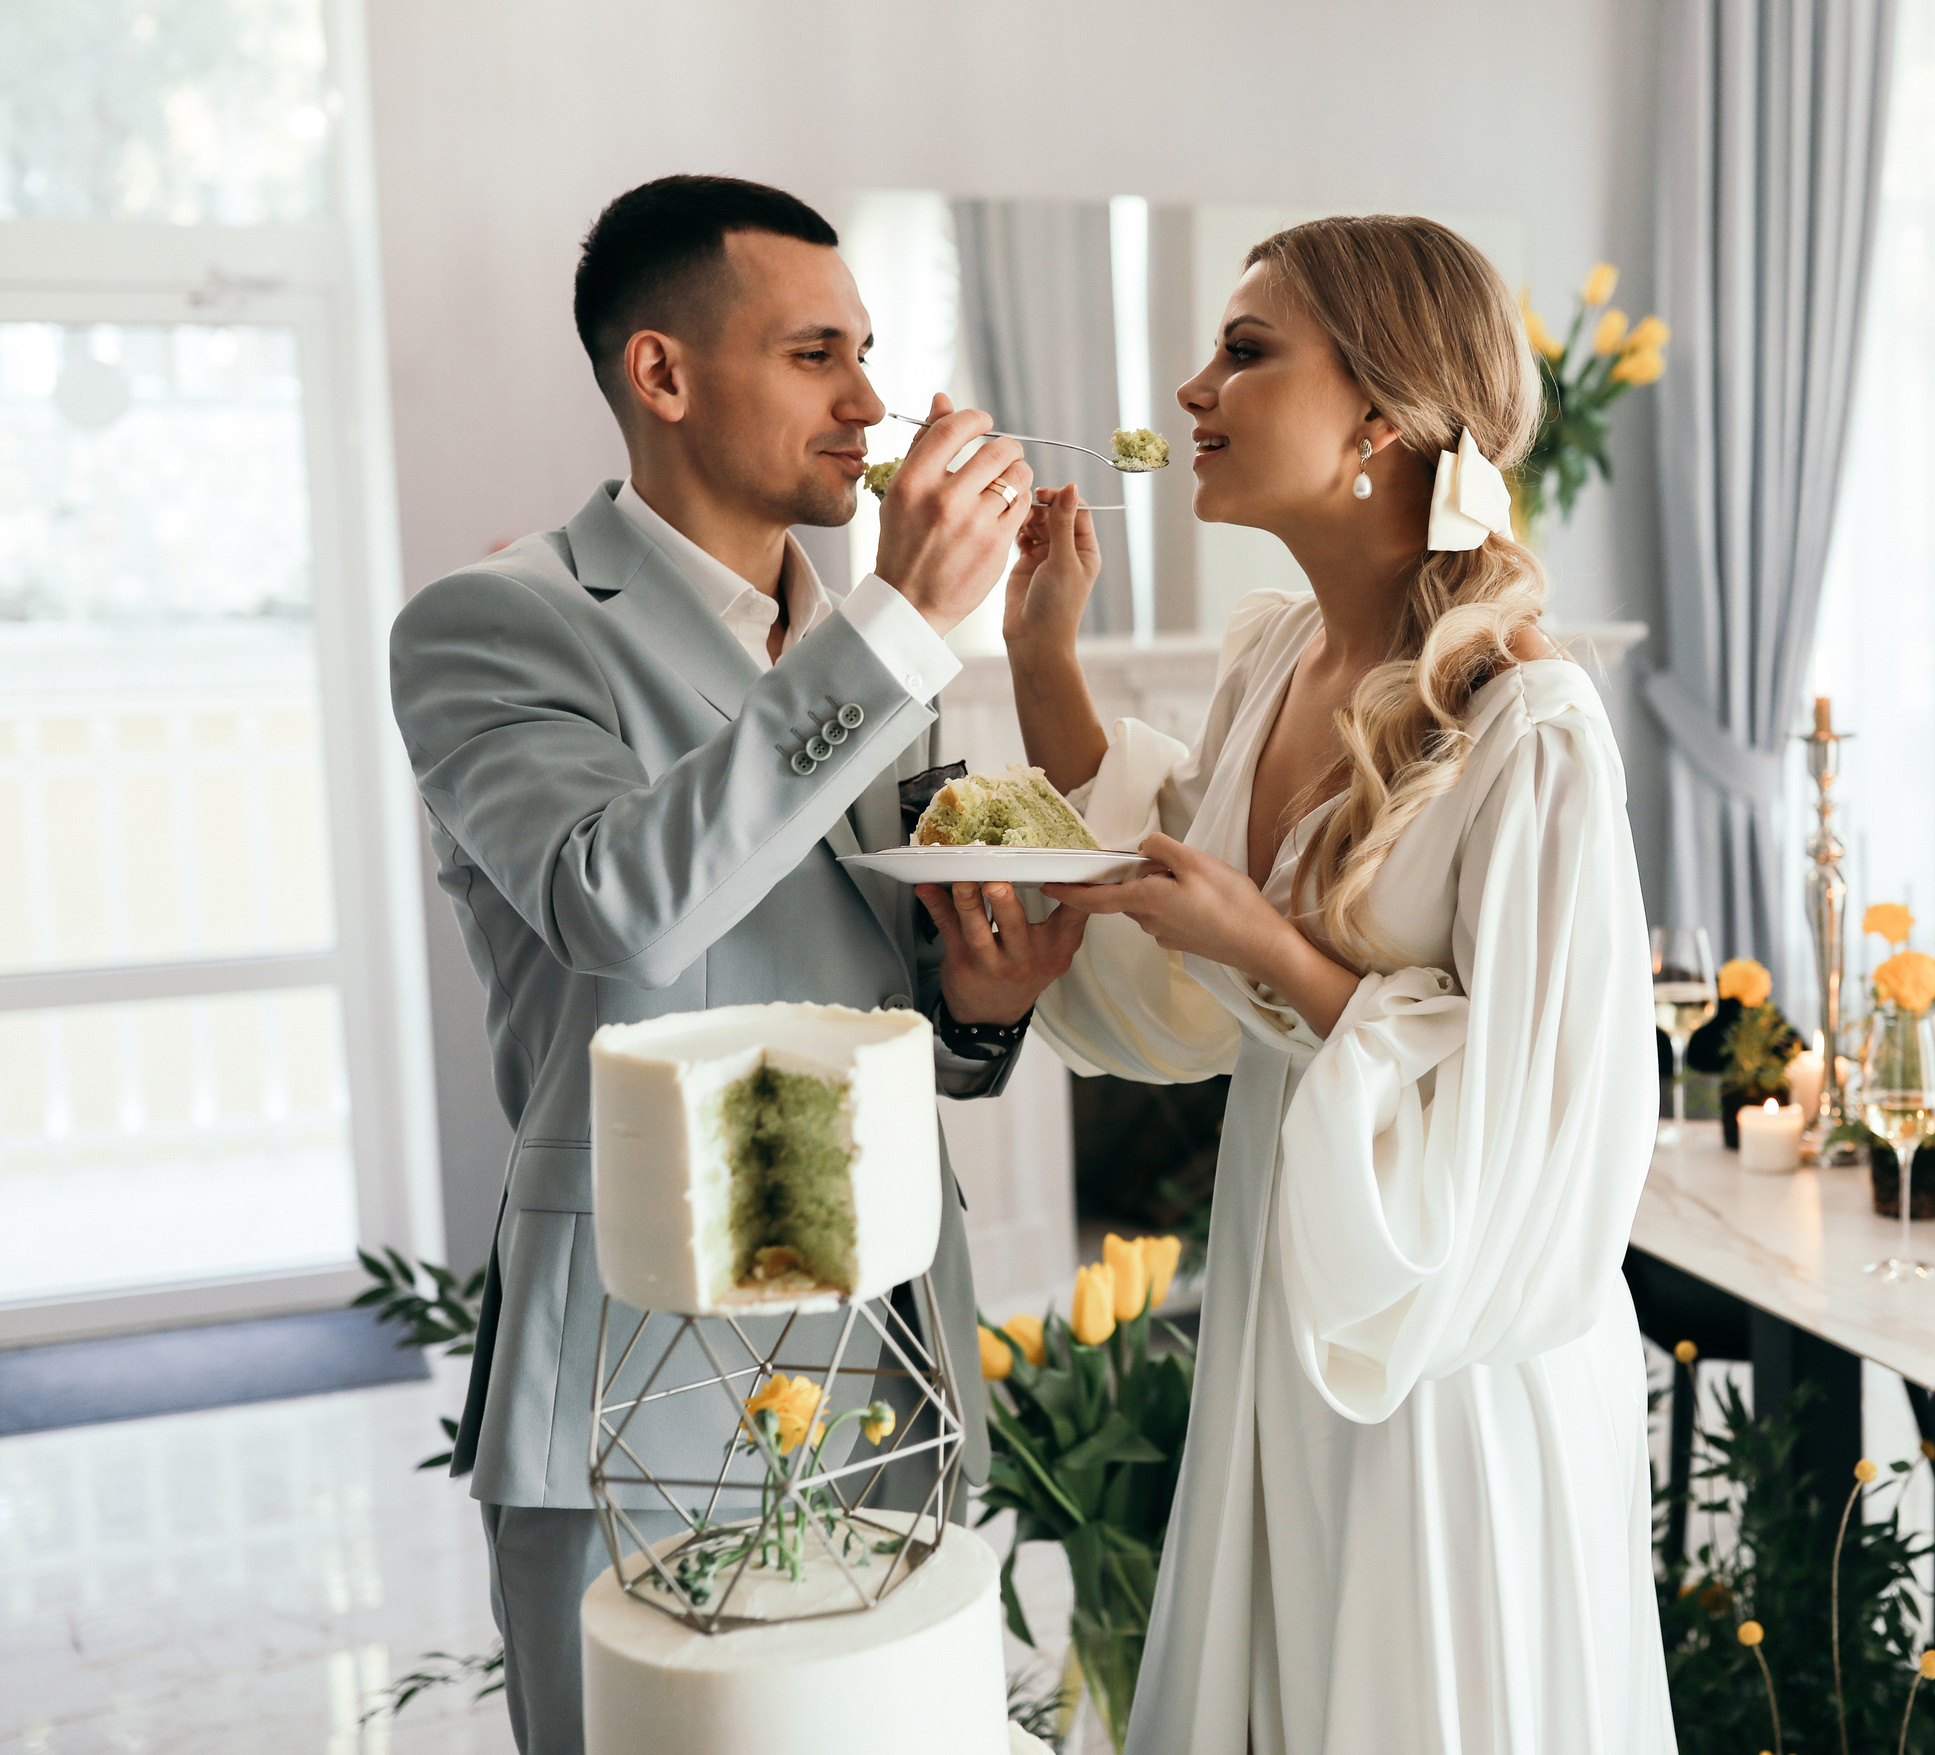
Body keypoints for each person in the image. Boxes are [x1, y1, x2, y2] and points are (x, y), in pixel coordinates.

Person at [387, 174, 1086, 1755]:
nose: (870, 405)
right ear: (664, 373)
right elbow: (616, 905)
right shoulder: (494, 623)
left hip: (886, 1373)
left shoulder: (856, 645)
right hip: (645, 1392)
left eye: (871, 354)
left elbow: (873, 981)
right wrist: (904, 621)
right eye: (818, 354)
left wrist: (975, 1012)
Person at [1006, 215, 1673, 1754]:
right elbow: (1180, 951)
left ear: (1379, 417)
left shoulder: (1533, 730)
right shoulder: (1273, 658)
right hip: (1283, 1299)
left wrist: (1271, 952)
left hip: (1441, 1344)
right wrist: (1044, 654)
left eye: (1246, 352)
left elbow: (1545, 1129)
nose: (1192, 388)